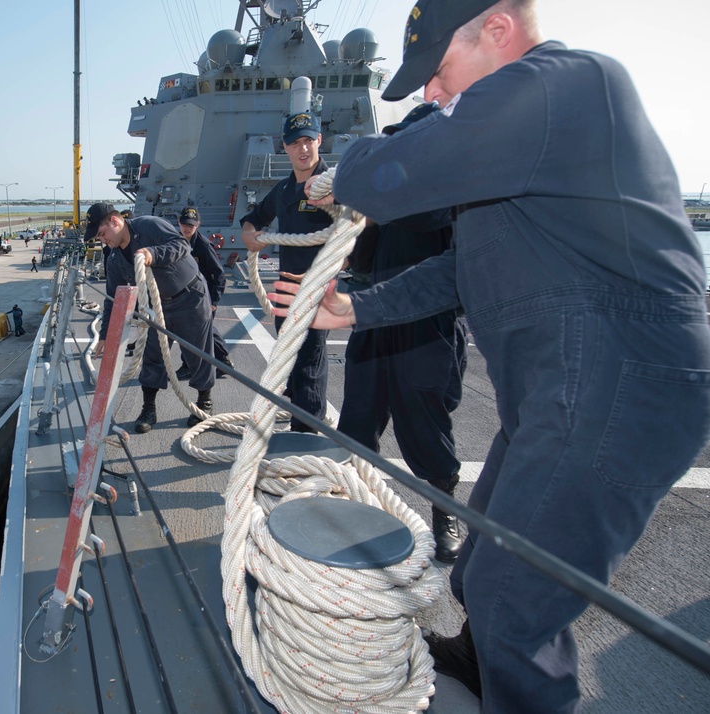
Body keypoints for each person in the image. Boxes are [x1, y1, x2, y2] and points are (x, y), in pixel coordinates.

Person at [269, 1, 710, 710]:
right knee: (482, 564)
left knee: (516, 598)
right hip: (560, 388)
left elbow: (398, 172)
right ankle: (479, 663)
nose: (432, 94)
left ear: (498, 29)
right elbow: (461, 268)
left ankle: (514, 679)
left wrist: (339, 172)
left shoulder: (566, 84)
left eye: (437, 73)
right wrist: (356, 307)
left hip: (615, 386)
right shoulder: (519, 151)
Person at [337, 103, 468, 564]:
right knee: (357, 417)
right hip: (374, 317)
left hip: (424, 325)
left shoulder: (450, 194)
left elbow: (429, 222)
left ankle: (445, 509)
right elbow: (367, 262)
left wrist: (380, 200)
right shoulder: (386, 203)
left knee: (424, 423)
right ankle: (353, 500)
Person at [241, 110, 332, 432]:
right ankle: (298, 407)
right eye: (295, 143)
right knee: (288, 355)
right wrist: (251, 235)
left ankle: (306, 434)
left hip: (318, 289)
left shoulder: (331, 186)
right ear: (285, 147)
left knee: (309, 361)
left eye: (308, 140)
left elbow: (356, 230)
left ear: (319, 140)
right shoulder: (282, 192)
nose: (303, 149)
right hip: (285, 289)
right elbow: (253, 218)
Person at [88, 201, 215, 433]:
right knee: (152, 356)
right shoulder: (115, 260)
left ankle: (204, 400)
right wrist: (105, 335)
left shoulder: (150, 226)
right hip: (156, 310)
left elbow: (181, 245)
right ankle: (149, 408)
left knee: (198, 352)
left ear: (115, 222)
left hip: (190, 299)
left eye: (102, 234)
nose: (102, 240)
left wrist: (152, 253)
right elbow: (112, 299)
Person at [175, 207, 234, 380]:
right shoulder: (176, 241)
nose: (187, 228)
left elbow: (219, 275)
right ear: (179, 222)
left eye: (191, 226)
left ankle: (210, 363)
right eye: (185, 224)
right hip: (184, 294)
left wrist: (214, 301)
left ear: (198, 225)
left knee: (201, 330)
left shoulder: (203, 246)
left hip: (203, 296)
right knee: (193, 330)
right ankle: (222, 363)